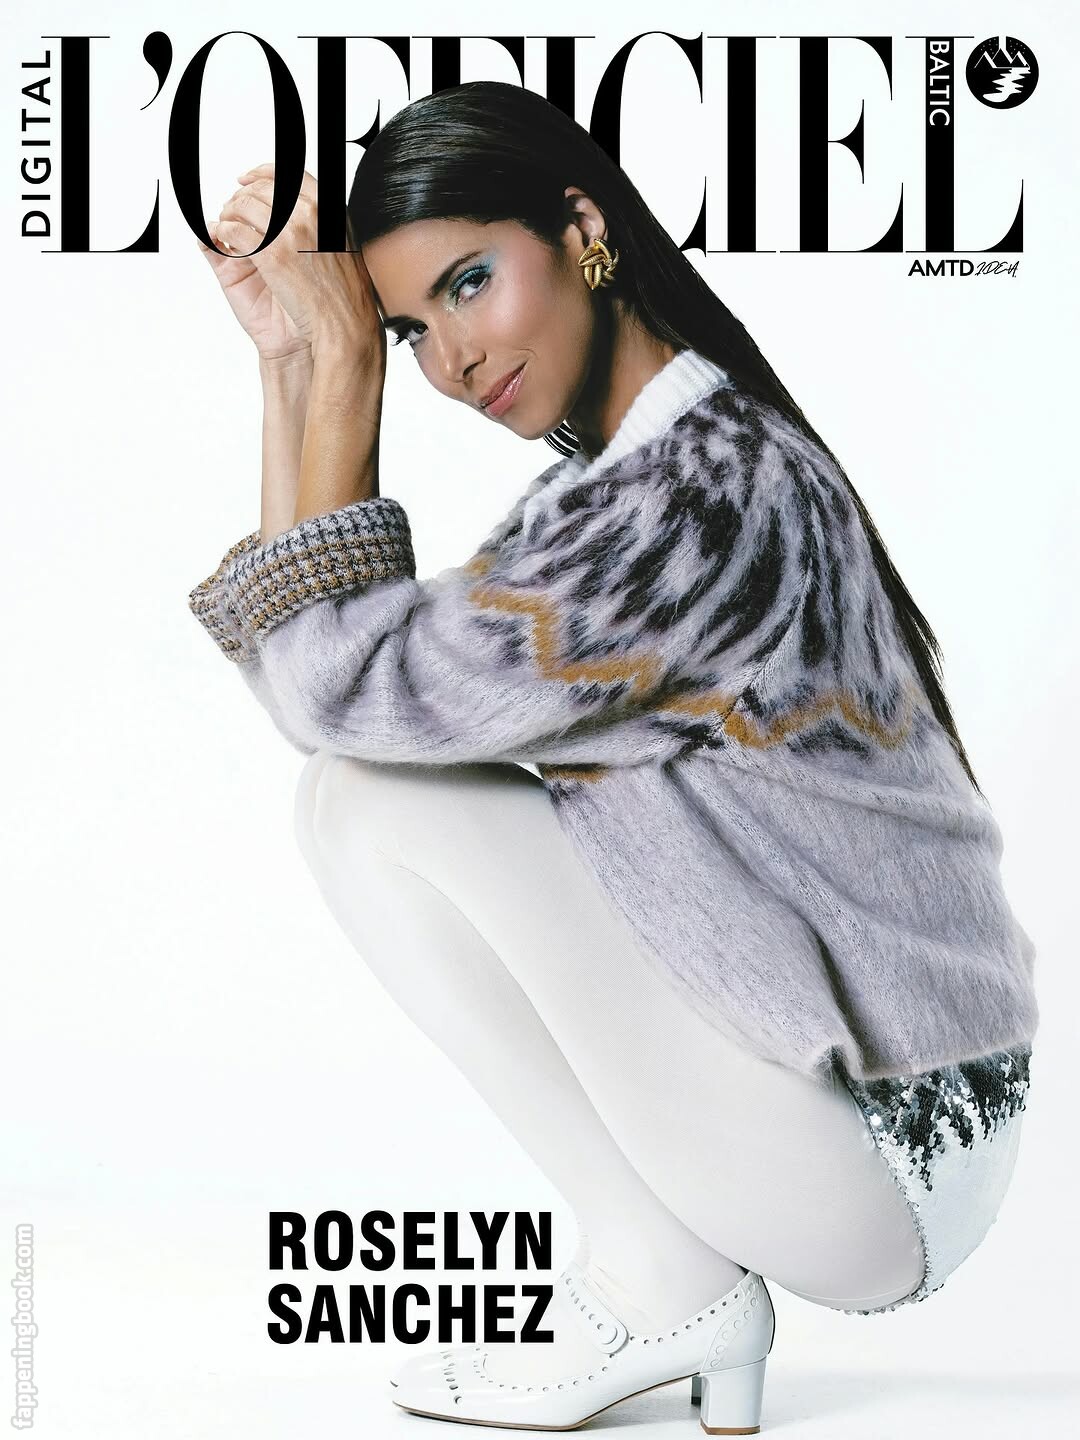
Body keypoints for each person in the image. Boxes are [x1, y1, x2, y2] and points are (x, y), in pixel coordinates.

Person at [188, 81, 1037, 1433]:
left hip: (883, 1153)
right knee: (368, 787)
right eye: (408, 331)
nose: (450, 361)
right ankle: (672, 1281)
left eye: (470, 283)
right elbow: (343, 675)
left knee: (367, 801)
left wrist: (339, 374)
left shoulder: (694, 507)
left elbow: (344, 689)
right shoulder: (649, 475)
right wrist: (292, 361)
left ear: (583, 233)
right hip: (894, 1121)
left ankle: (666, 1280)